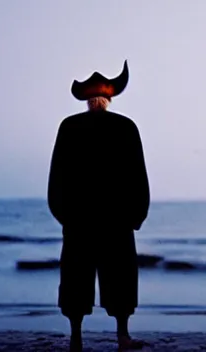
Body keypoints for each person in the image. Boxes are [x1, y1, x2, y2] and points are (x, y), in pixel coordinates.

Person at [48, 60, 150, 351]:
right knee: (120, 278)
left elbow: (57, 176)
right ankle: (122, 335)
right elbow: (137, 175)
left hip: (79, 218)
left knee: (75, 279)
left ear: (87, 100)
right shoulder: (125, 127)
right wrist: (136, 215)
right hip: (116, 219)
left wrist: (63, 214)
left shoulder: (69, 127)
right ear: (110, 99)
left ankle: (76, 337)